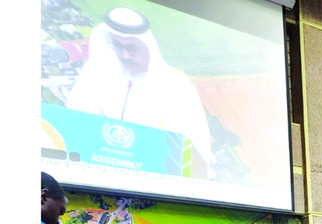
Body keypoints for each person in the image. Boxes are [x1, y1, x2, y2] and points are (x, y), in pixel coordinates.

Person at [66, 7, 215, 179]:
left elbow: (193, 145)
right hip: (98, 174)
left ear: (148, 46)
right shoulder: (98, 70)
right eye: (118, 46)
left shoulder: (175, 83)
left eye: (132, 48)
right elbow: (76, 120)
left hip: (154, 180)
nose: (125, 55)